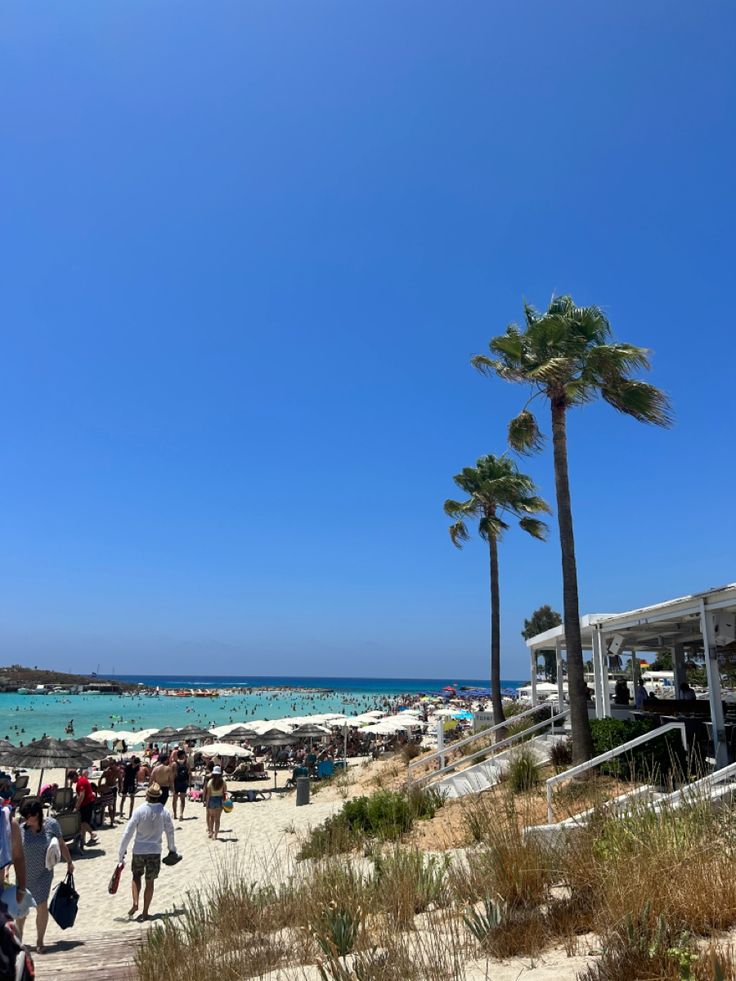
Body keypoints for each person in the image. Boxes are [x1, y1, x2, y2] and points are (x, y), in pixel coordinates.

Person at [16, 800, 74, 954]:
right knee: (21, 909)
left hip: (43, 873)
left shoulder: (52, 824)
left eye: (30, 816)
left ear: (38, 814)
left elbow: (61, 844)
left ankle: (39, 942)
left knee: (41, 906)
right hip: (23, 873)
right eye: (25, 816)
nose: (27, 820)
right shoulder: (20, 829)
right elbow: (14, 852)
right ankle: (18, 941)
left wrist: (69, 862)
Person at [117, 783, 177, 922]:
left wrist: (121, 852)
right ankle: (145, 912)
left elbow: (128, 833)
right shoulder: (164, 812)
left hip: (139, 850)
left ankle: (135, 903)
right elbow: (170, 831)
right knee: (150, 882)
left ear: (147, 796)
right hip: (155, 851)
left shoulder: (139, 811)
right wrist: (172, 849)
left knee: (136, 876)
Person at [69, 770, 98, 847]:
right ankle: (83, 840)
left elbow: (81, 796)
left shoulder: (80, 783)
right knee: (83, 824)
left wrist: (76, 807)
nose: (72, 781)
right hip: (88, 802)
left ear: (75, 776)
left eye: (72, 779)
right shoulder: (83, 779)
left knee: (82, 822)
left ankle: (92, 833)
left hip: (86, 804)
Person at [203, 767, 227, 840]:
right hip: (219, 800)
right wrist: (225, 802)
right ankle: (215, 835)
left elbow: (208, 794)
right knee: (217, 819)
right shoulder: (223, 782)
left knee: (211, 817)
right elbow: (225, 793)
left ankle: (211, 832)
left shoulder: (210, 782)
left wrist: (206, 803)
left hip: (212, 800)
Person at [171, 751, 190, 821]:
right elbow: (189, 774)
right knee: (182, 799)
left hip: (176, 783)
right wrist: (189, 784)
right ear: (183, 755)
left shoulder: (174, 764)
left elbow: (173, 775)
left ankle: (175, 814)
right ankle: (181, 814)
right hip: (184, 783)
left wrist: (171, 785)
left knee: (174, 799)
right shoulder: (187, 764)